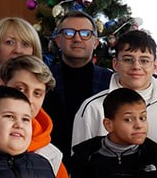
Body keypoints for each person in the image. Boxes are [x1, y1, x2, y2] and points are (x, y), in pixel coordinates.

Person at [71, 30, 157, 154]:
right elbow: (78, 161)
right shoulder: (93, 108)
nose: (136, 66)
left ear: (155, 66)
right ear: (115, 64)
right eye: (128, 60)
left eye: (144, 60)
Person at [44, 10, 114, 156]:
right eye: (69, 33)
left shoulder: (110, 81)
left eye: (85, 33)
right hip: (51, 158)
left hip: (99, 159)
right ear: (58, 41)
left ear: (95, 43)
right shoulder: (43, 79)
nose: (77, 38)